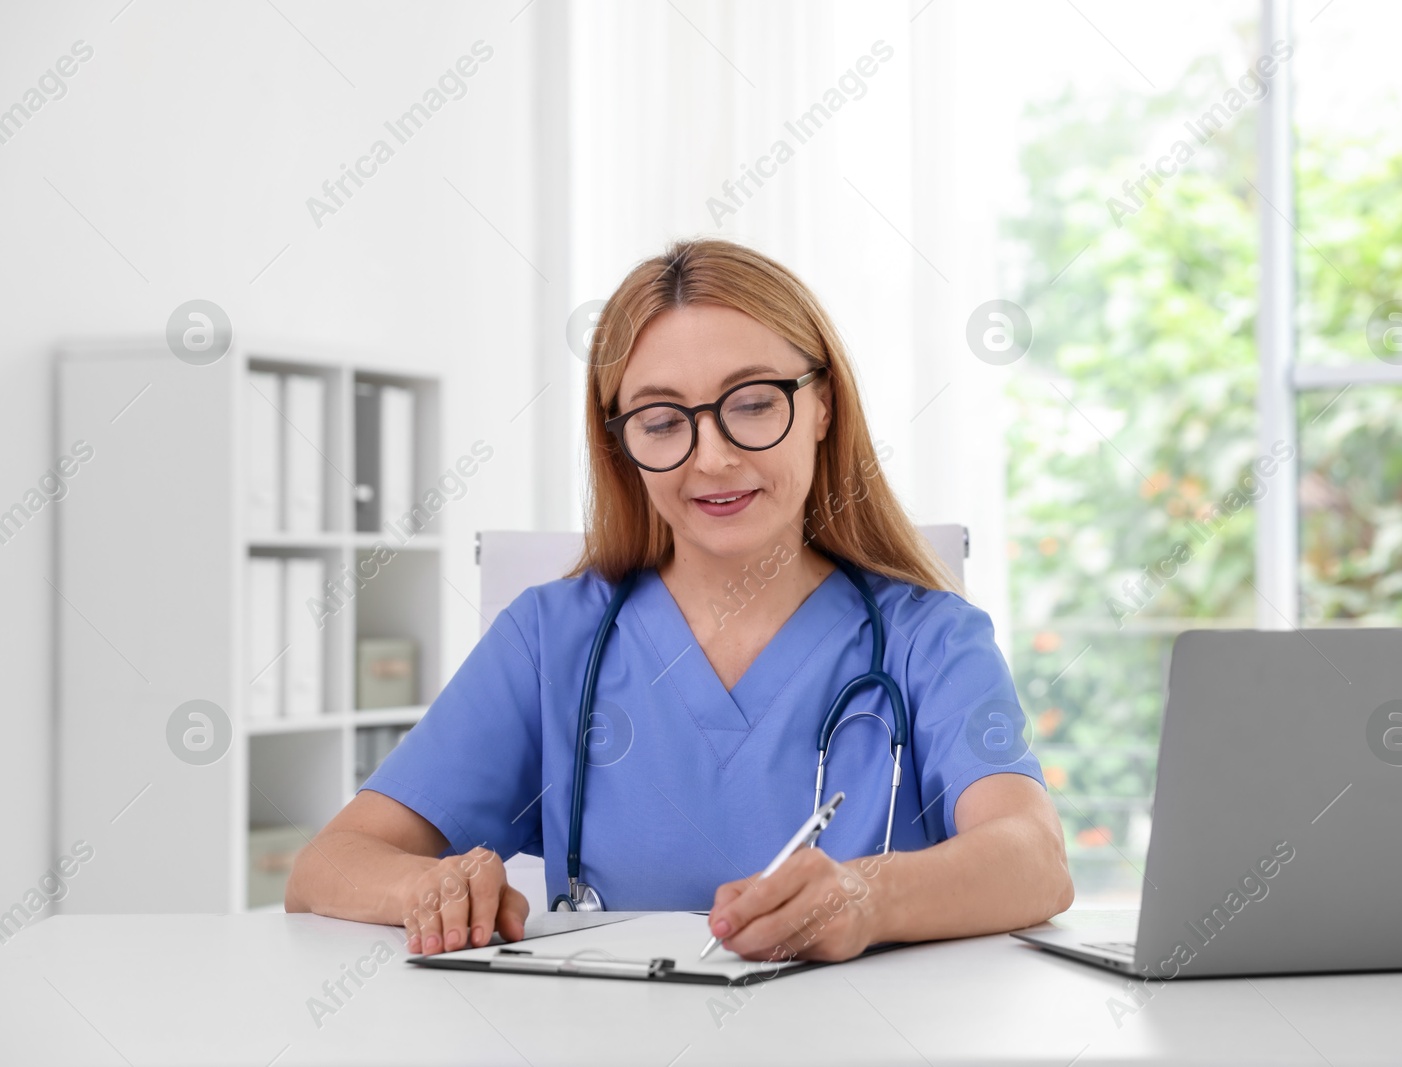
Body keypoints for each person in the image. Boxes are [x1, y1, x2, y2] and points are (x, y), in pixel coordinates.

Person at [286, 237, 1074, 963]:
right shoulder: (548, 641)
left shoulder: (928, 638)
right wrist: (428, 889)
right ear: (622, 444)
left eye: (755, 402)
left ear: (823, 404)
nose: (714, 457)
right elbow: (328, 864)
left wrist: (868, 897)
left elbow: (1033, 858)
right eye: (662, 421)